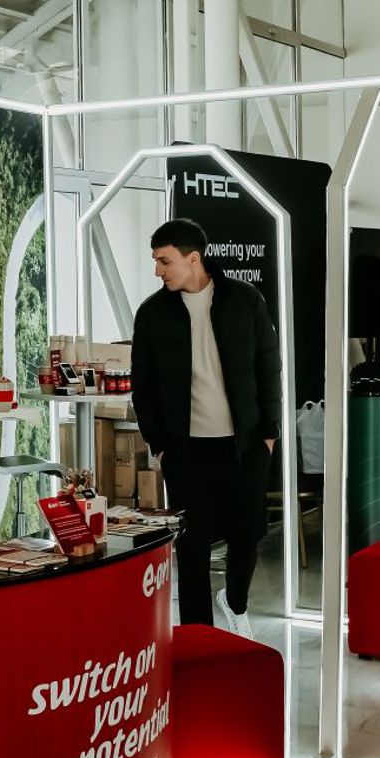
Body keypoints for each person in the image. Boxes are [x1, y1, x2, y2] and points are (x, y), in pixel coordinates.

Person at [130, 217, 280, 637]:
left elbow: (269, 368)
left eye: (164, 261)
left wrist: (269, 434)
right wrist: (159, 444)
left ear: (193, 258)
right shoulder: (152, 314)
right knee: (192, 546)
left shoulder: (245, 300)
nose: (157, 270)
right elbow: (143, 384)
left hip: (244, 445)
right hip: (185, 450)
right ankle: (199, 637)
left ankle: (236, 602)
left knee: (246, 534)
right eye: (156, 261)